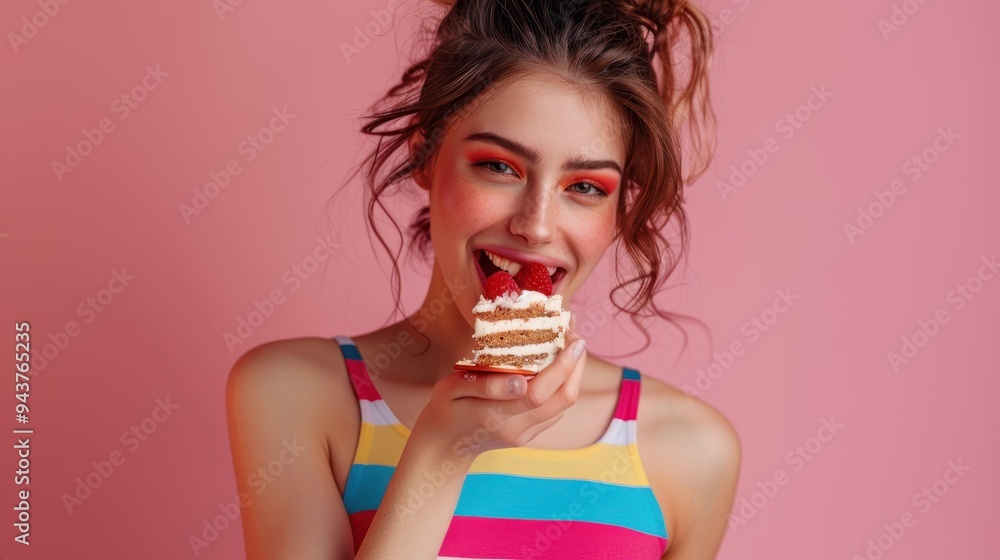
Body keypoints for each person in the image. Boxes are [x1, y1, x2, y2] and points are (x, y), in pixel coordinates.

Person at [226, 0, 741, 558]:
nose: (535, 224)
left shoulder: (694, 450)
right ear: (425, 153)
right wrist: (443, 451)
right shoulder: (295, 394)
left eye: (586, 186)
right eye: (499, 167)